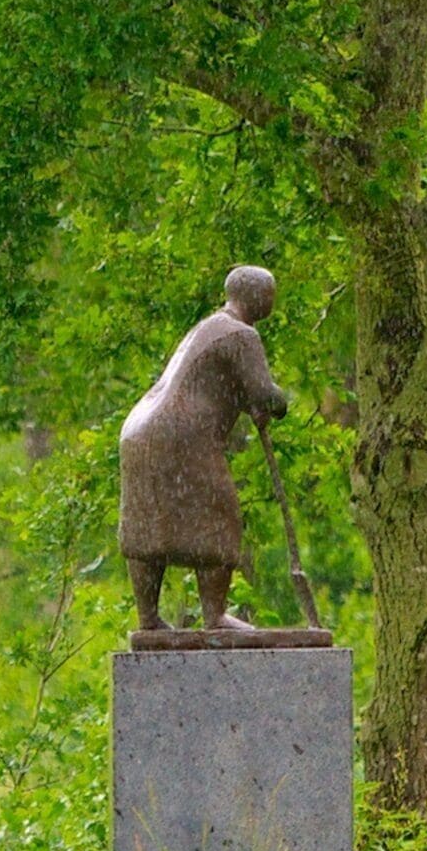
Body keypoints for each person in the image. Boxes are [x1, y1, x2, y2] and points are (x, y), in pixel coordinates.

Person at [119, 265, 294, 633]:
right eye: (271, 294)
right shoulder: (242, 334)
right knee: (221, 513)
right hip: (180, 435)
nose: (273, 302)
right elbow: (263, 391)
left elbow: (215, 384)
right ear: (257, 296)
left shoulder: (208, 326)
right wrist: (277, 402)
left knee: (150, 515)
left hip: (140, 429)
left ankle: (148, 617)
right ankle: (214, 615)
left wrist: (250, 404)